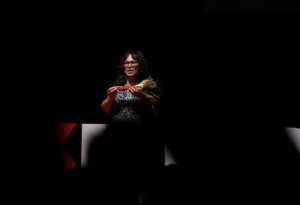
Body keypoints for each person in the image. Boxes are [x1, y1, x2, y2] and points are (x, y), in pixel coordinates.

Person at [98, 50, 164, 203]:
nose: (129, 65)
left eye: (133, 62)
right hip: (118, 141)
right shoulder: (119, 82)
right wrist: (110, 98)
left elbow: (156, 106)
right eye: (126, 62)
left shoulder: (147, 83)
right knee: (118, 182)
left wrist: (143, 97)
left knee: (139, 181)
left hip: (140, 141)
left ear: (140, 65)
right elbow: (105, 109)